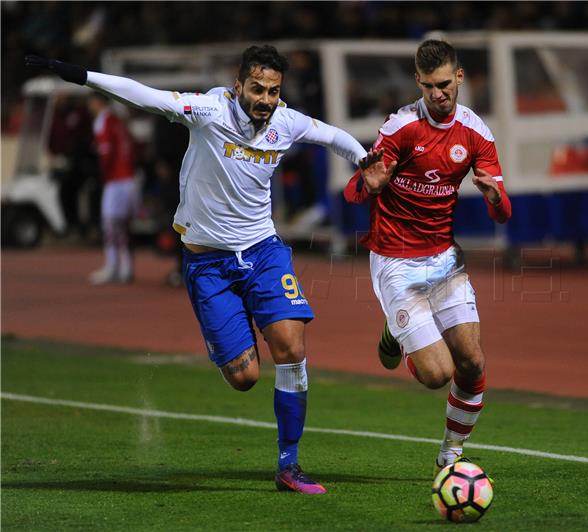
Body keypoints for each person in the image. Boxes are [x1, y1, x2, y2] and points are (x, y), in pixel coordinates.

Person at [26, 45, 388, 494]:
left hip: (263, 252)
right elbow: (143, 94)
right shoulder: (207, 110)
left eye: (274, 91)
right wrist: (78, 74)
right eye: (257, 89)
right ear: (238, 86)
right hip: (208, 263)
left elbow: (331, 135)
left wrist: (364, 160)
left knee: (291, 347)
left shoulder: (285, 122)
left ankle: (288, 466)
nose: (266, 99)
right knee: (245, 378)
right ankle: (229, 334)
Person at [343, 40, 512, 475]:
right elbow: (353, 191)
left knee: (473, 363)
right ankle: (396, 334)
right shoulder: (400, 128)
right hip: (396, 260)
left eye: (445, 84)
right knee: (438, 374)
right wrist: (370, 184)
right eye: (430, 86)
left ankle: (451, 454)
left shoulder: (476, 134)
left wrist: (495, 198)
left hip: (443, 260)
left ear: (459, 77)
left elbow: (503, 214)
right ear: (418, 82)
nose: (439, 94)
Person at [86, 92, 139, 285]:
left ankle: (112, 265)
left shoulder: (103, 121)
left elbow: (106, 153)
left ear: (97, 102)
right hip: (129, 178)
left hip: (116, 180)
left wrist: (103, 177)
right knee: (123, 226)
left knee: (110, 225)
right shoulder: (119, 120)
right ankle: (126, 268)